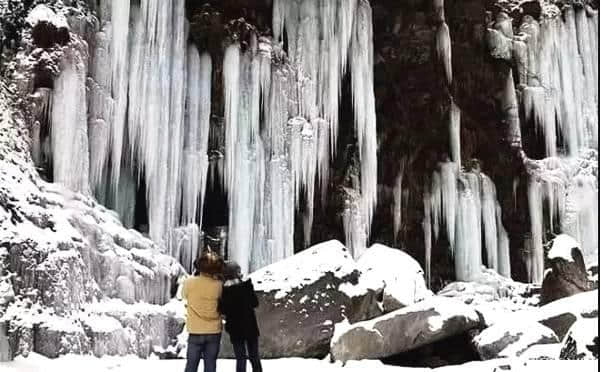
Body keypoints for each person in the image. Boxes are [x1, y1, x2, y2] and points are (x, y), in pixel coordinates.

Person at [182, 249, 225, 372]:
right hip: (214, 330)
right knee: (210, 365)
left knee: (191, 365)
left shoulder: (189, 282)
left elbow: (184, 295)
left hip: (195, 330)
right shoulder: (219, 285)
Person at [219, 261, 263, 372]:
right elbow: (255, 303)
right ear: (237, 273)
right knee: (254, 356)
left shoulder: (225, 291)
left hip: (235, 329)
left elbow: (222, 310)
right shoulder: (246, 286)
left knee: (240, 358)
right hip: (250, 326)